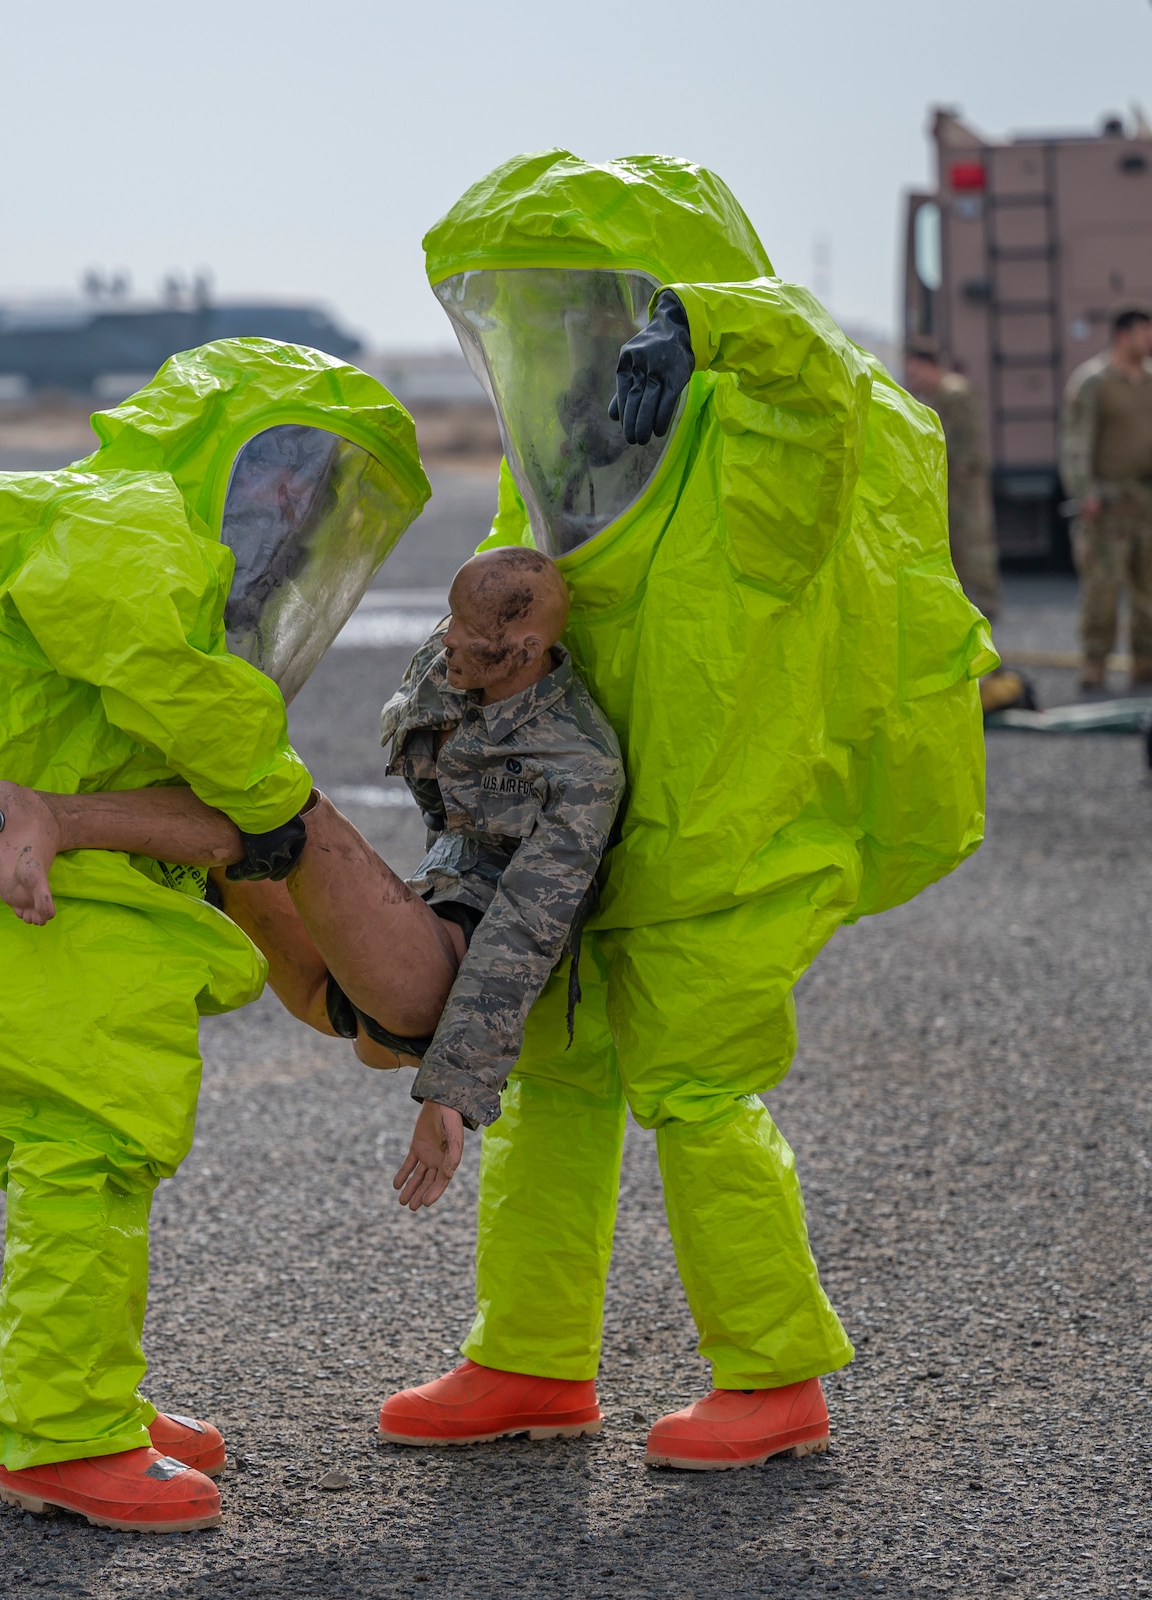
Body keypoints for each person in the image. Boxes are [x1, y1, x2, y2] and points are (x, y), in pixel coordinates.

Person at [0, 339, 430, 1534]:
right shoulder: (123, 522)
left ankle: (89, 1391)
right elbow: (155, 662)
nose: (291, 515)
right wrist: (268, 796)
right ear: (231, 448)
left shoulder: (94, 515)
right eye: (287, 476)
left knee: (81, 1132)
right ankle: (62, 1430)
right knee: (91, 1119)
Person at [373, 151, 994, 1472]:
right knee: (553, 1090)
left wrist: (715, 325)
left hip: (720, 849)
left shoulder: (758, 469)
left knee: (700, 1094)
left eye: (604, 310)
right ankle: (530, 1360)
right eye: (543, 317)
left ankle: (774, 1379)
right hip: (584, 848)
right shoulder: (563, 474)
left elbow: (818, 389)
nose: (575, 343)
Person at [0, 546, 623, 1217]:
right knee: (245, 820)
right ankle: (49, 816)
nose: (450, 637)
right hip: (380, 961)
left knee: (284, 815)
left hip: (440, 983)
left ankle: (50, 816)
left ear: (523, 649)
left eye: (470, 631)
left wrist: (451, 1092)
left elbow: (522, 939)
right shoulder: (455, 657)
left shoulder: (580, 768)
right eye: (451, 617)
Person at [1058, 303, 1152, 692]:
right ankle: (1095, 663)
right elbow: (1075, 441)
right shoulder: (1093, 382)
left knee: (1151, 587)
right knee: (1102, 588)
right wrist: (1083, 491)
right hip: (1107, 503)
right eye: (1144, 333)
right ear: (1123, 335)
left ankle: (1145, 662)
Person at [904, 337, 1001, 619]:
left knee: (974, 556)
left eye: (915, 371)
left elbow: (967, 447)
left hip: (963, 490)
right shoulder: (931, 397)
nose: (912, 378)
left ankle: (984, 618)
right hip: (946, 490)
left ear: (929, 366)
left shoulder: (954, 393)